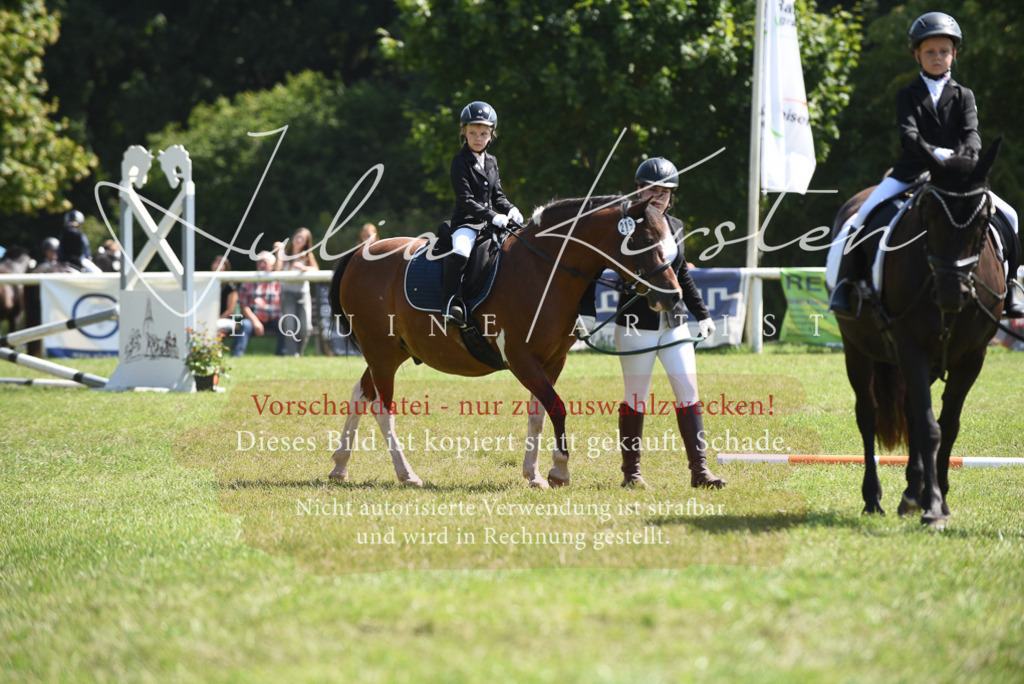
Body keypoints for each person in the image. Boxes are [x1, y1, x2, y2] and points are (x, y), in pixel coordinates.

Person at [827, 12, 1022, 318]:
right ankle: (847, 283)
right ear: (917, 55)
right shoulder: (908, 94)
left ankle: (1011, 287)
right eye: (929, 52)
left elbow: (972, 136)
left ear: (953, 54)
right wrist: (937, 154)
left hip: (958, 176)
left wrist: (957, 159)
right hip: (913, 171)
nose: (937, 57)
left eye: (944, 51)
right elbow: (908, 135)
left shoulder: (964, 95)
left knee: (1009, 215)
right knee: (861, 216)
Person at [587, 157, 724, 489]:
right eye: (652, 190)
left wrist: (702, 314)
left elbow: (682, 275)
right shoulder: (623, 223)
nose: (658, 196)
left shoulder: (675, 225)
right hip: (636, 323)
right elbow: (595, 264)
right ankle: (631, 474)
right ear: (639, 190)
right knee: (636, 397)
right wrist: (585, 311)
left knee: (688, 392)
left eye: (664, 191)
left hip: (674, 323)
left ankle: (700, 471)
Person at [442, 101, 523, 326]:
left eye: (483, 133)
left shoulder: (492, 161)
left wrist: (511, 209)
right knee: (461, 249)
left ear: (491, 135)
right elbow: (466, 200)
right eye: (472, 132)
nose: (478, 138)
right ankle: (451, 302)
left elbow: (498, 195)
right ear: (464, 133)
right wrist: (492, 215)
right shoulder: (460, 162)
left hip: (490, 223)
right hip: (466, 223)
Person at [275, 227, 318, 356]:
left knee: (306, 328)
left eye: (302, 239)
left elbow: (316, 270)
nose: (298, 240)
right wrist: (279, 252)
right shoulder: (285, 254)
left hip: (303, 294)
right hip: (287, 293)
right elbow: (277, 271)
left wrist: (304, 268)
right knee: (290, 327)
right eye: (297, 236)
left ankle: (298, 353)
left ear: (306, 242)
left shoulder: (307, 255)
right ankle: (293, 355)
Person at [233, 251, 284, 356]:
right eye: (259, 262)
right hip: (253, 319)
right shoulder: (248, 281)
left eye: (264, 262)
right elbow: (243, 306)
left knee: (285, 324)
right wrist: (255, 322)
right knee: (244, 325)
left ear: (272, 265)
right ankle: (236, 355)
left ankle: (282, 356)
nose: (261, 265)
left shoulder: (278, 281)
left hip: (274, 319)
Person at [211, 255, 239, 337]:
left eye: (220, 263)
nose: (216, 265)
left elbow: (230, 310)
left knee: (214, 327)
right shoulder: (208, 284)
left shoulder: (230, 285)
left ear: (226, 267)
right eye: (215, 263)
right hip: (210, 318)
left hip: (226, 320)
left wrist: (216, 319)